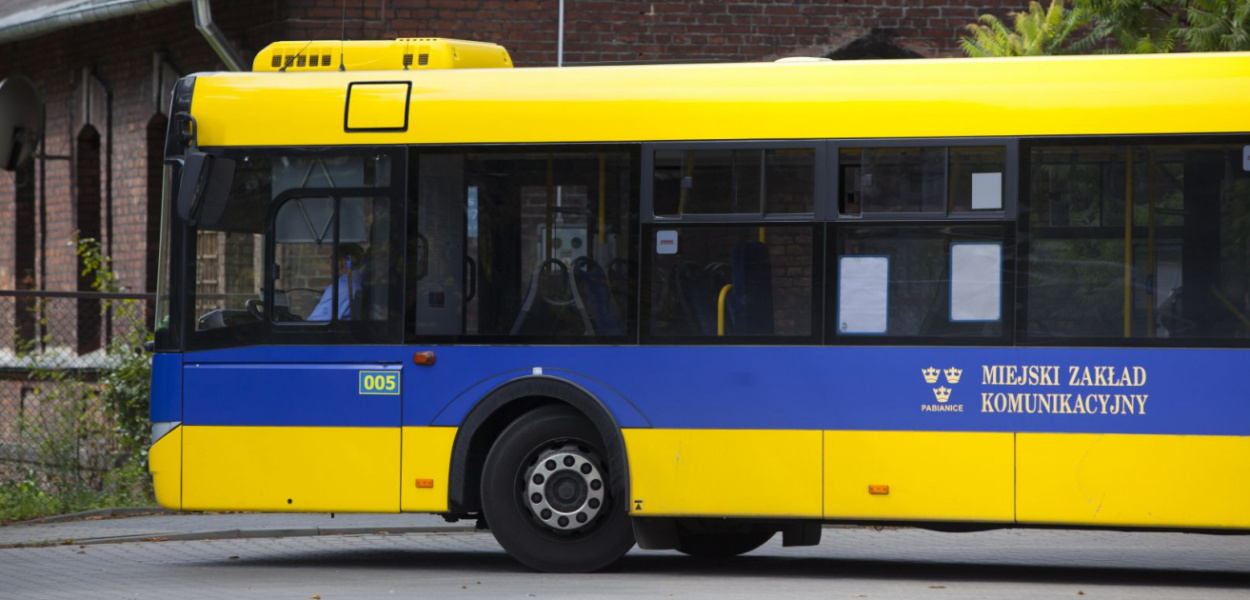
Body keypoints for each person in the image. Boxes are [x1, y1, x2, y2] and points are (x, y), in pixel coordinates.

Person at [308, 244, 364, 321]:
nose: (330, 266)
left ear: (339, 263)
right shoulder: (361, 280)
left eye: (332, 261)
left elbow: (316, 323)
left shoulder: (341, 287)